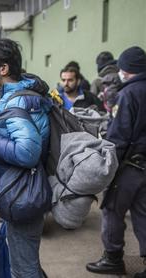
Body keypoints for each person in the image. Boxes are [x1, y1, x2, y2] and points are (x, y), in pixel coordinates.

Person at [0, 38, 51, 278]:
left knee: (23, 270)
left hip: (22, 195)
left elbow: (27, 153)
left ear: (3, 69)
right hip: (18, 190)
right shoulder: (17, 95)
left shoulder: (17, 100)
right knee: (28, 263)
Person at [86, 46, 146, 278]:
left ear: (127, 69)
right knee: (142, 212)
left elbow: (119, 135)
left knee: (112, 209)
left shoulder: (128, 94)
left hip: (129, 165)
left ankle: (112, 258)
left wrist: (107, 166)